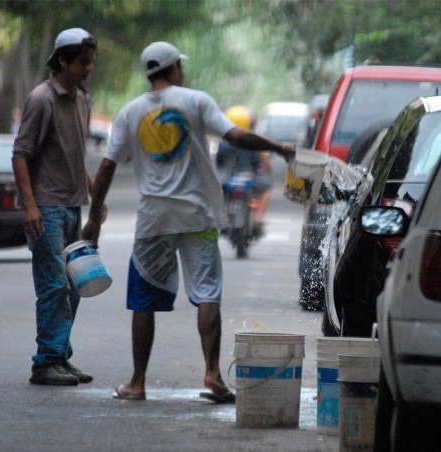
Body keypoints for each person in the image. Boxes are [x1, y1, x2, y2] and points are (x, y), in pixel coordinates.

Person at [81, 41, 295, 401]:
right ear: (174, 68)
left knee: (143, 299)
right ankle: (212, 373)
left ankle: (137, 382)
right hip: (197, 213)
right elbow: (237, 136)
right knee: (208, 292)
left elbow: (107, 165)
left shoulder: (130, 112)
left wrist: (94, 218)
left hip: (154, 218)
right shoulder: (196, 101)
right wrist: (279, 147)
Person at [12, 27, 100, 386]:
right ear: (62, 60)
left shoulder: (83, 99)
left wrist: (96, 195)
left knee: (76, 283)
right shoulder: (41, 99)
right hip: (46, 208)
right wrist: (30, 206)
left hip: (73, 206)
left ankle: (59, 354)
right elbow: (20, 155)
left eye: (91, 62)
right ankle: (46, 361)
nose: (88, 68)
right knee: (54, 286)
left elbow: (75, 153)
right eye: (83, 62)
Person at [216, 105, 273, 238]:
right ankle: (258, 217)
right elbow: (257, 163)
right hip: (249, 179)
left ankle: (223, 217)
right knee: (267, 188)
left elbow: (219, 162)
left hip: (228, 180)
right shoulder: (252, 142)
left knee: (219, 193)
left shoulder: (224, 142)